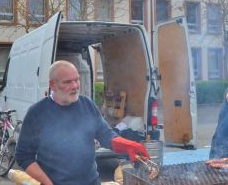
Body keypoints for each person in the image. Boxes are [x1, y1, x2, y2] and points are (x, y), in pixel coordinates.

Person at [15, 60, 150, 185]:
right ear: (52, 85)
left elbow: (105, 135)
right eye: (67, 82)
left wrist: (128, 145)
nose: (75, 86)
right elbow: (24, 157)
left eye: (76, 80)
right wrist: (48, 183)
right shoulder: (37, 113)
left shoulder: (87, 104)